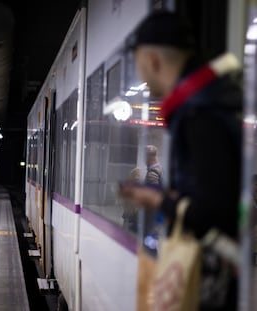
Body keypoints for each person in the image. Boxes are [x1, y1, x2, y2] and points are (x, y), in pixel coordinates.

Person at [121, 10, 242, 310]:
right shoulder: (207, 103)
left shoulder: (199, 114)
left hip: (209, 278)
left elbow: (209, 212)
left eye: (139, 67)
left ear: (153, 61)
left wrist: (157, 201)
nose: (143, 79)